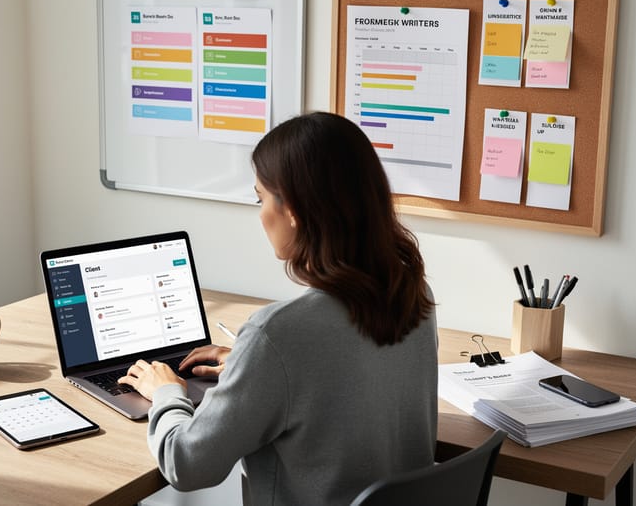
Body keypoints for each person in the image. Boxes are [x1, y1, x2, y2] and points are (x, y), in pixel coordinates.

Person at [119, 111, 438, 505]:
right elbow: (341, 371)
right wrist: (253, 365)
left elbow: (186, 464)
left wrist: (167, 393)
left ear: (293, 212)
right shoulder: (412, 294)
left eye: (260, 197)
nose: (259, 213)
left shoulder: (278, 333)